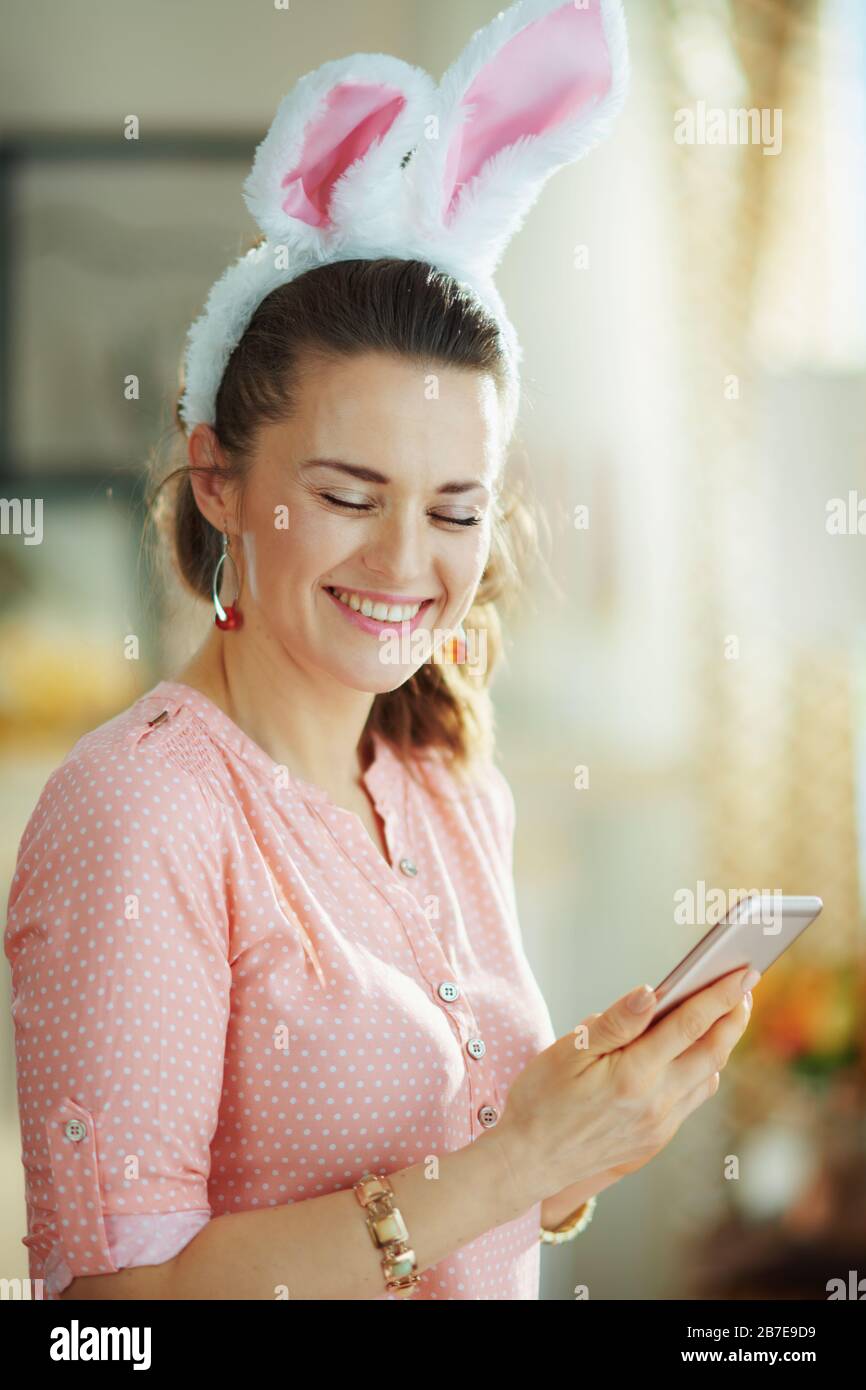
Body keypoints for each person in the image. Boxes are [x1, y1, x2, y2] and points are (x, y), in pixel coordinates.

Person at [3, 0, 755, 1301]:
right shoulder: (140, 813)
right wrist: (512, 1160)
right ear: (220, 480)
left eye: (454, 508)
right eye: (350, 495)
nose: (410, 564)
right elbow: (97, 1330)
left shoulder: (447, 780)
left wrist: (578, 1132)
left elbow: (480, 1181)